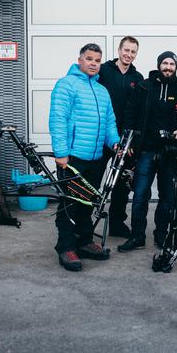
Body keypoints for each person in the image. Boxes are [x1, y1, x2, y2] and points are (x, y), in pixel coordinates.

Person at [49, 43, 120, 272]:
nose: (93, 63)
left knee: (87, 202)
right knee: (69, 203)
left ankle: (85, 241)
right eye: (89, 59)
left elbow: (109, 122)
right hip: (73, 157)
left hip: (96, 157)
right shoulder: (66, 85)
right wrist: (61, 153)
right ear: (80, 60)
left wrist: (115, 142)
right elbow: (58, 119)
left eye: (97, 60)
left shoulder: (102, 90)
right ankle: (66, 247)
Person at [117, 51, 177, 252]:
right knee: (140, 194)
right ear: (159, 64)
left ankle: (161, 235)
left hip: (170, 152)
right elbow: (130, 114)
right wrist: (130, 142)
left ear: (176, 67)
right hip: (146, 150)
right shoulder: (144, 87)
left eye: (172, 64)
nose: (168, 67)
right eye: (165, 63)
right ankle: (137, 236)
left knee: (167, 197)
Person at [97, 36, 144, 238]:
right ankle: (84, 224)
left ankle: (117, 223)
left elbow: (140, 111)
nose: (129, 55)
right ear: (119, 50)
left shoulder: (138, 78)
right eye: (126, 50)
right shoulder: (104, 71)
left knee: (122, 184)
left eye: (133, 52)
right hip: (101, 136)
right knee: (94, 177)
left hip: (125, 140)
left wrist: (133, 140)